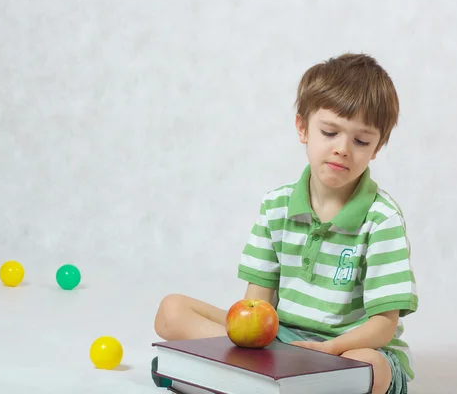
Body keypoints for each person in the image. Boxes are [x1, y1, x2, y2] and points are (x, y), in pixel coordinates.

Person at [152, 53, 418, 394]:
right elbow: (256, 303)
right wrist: (250, 338)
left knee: (373, 367)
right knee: (171, 310)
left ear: (377, 147)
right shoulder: (276, 205)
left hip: (348, 347)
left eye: (361, 141)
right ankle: (278, 373)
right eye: (330, 132)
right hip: (280, 338)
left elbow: (384, 324)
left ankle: (269, 375)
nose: (342, 149)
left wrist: (329, 350)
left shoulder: (382, 220)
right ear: (303, 128)